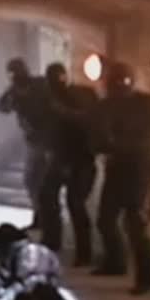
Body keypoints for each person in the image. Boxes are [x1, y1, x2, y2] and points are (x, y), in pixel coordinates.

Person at [91, 59, 150, 294]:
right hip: (117, 168)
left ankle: (145, 279)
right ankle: (115, 262)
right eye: (114, 80)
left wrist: (123, 144)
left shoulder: (147, 103)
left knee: (136, 224)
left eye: (121, 80)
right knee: (106, 219)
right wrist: (108, 145)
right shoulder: (105, 106)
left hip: (140, 169)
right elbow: (97, 140)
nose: (117, 85)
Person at [35, 63, 98, 265]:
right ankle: (53, 241)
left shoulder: (76, 96)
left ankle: (84, 252)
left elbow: (83, 122)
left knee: (75, 203)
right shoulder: (52, 98)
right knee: (47, 196)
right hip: (62, 157)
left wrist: (62, 111)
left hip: (80, 159)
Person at [0, 58, 51, 224]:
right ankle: (40, 215)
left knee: (39, 180)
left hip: (47, 138)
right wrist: (13, 94)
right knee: (32, 181)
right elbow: (1, 107)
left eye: (16, 72)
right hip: (33, 140)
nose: (14, 77)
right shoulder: (14, 90)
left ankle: (44, 216)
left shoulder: (40, 84)